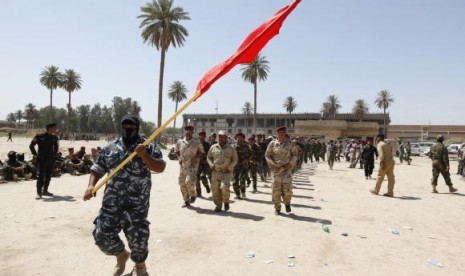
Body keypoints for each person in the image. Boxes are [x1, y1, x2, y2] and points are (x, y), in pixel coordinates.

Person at [83, 115, 166, 276]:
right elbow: (98, 167)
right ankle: (121, 255)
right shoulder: (111, 147)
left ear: (137, 127)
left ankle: (140, 265)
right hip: (112, 202)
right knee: (101, 236)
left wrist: (144, 156)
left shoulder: (148, 146)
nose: (127, 128)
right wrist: (91, 185)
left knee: (139, 241)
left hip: (137, 204)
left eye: (131, 126)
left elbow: (160, 167)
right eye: (125, 125)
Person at [265, 126, 298, 215]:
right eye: (279, 132)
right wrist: (272, 164)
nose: (281, 134)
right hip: (276, 170)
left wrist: (290, 164)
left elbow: (295, 155)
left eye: (283, 132)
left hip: (287, 169)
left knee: (287, 189)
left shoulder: (290, 144)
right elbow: (267, 155)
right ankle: (277, 207)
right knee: (276, 189)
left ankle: (287, 203)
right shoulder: (272, 144)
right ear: (277, 133)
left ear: (285, 133)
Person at [207, 130, 238, 212]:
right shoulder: (213, 147)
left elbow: (235, 159)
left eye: (223, 137)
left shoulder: (231, 148)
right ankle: (218, 205)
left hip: (226, 172)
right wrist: (211, 165)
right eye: (219, 136)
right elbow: (208, 157)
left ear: (226, 138)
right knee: (215, 189)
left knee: (224, 187)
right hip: (215, 171)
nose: (221, 138)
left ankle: (226, 201)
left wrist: (230, 167)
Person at [175, 125, 204, 207]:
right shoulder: (180, 142)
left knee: (189, 181)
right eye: (186, 130)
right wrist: (179, 158)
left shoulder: (196, 141)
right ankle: (186, 200)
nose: (187, 131)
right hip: (183, 166)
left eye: (189, 130)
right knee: (181, 183)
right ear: (184, 131)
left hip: (192, 165)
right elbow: (176, 151)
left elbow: (201, 151)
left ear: (192, 131)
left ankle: (193, 194)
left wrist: (196, 157)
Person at [29, 123, 59, 199]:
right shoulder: (39, 136)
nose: (56, 129)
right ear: (50, 128)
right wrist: (35, 155)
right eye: (54, 128)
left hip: (50, 159)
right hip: (42, 159)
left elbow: (56, 147)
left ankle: (45, 190)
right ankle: (39, 193)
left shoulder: (54, 137)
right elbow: (31, 146)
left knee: (48, 176)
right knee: (41, 176)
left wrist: (54, 156)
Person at [232, 132, 251, 199]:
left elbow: (250, 155)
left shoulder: (247, 146)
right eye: (238, 137)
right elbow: (230, 156)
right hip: (235, 166)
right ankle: (237, 194)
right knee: (235, 181)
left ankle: (243, 192)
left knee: (242, 179)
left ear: (243, 138)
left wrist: (246, 160)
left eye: (240, 137)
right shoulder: (233, 146)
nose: (239, 139)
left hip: (243, 166)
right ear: (236, 138)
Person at [196, 129, 211, 197]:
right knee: (196, 178)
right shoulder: (195, 144)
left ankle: (207, 186)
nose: (202, 136)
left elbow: (210, 154)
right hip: (197, 164)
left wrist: (207, 160)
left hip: (205, 164)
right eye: (200, 135)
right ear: (199, 136)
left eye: (203, 135)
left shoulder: (207, 145)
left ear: (205, 136)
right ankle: (198, 192)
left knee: (202, 176)